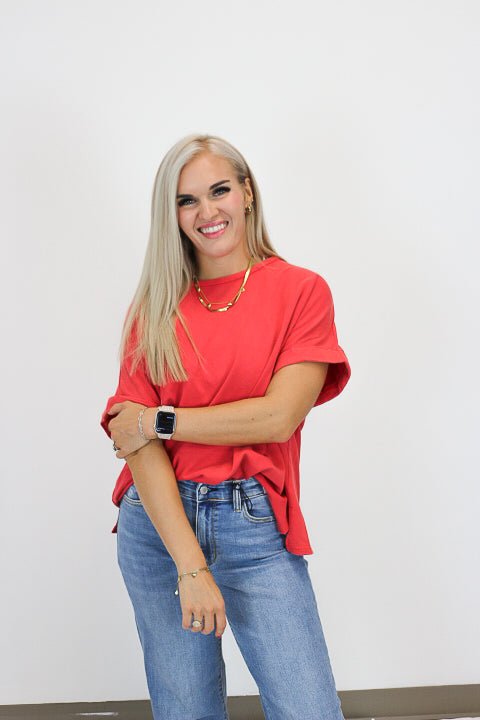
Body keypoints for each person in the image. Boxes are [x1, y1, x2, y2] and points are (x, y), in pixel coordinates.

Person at [100, 134, 351, 720]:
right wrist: (189, 565)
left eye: (219, 191)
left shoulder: (300, 291)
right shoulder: (154, 307)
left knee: (309, 710)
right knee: (186, 712)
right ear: (172, 215)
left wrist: (161, 421)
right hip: (158, 527)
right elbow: (133, 442)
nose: (207, 211)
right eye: (187, 200)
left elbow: (278, 416)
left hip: (252, 523)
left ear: (247, 192)